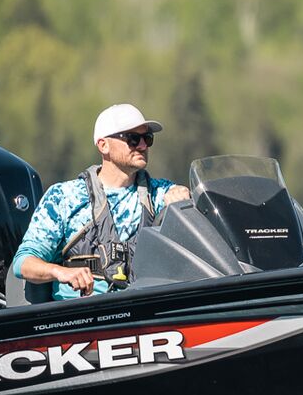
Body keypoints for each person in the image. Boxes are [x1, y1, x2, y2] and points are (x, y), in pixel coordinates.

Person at [12, 103, 191, 300]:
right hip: (82, 318)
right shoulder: (64, 198)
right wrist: (60, 272)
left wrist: (182, 195)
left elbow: (182, 203)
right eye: (133, 139)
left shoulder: (159, 193)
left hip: (143, 312)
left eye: (147, 138)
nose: (143, 146)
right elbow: (23, 263)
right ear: (103, 145)